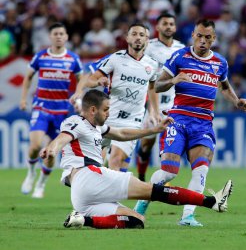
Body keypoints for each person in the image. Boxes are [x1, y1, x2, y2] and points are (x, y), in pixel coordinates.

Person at [39, 89, 233, 229]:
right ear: (92, 110)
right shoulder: (76, 121)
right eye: (105, 109)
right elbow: (62, 138)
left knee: (136, 220)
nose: (108, 113)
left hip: (81, 197)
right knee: (152, 191)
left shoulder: (95, 128)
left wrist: (153, 130)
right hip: (89, 176)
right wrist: (52, 149)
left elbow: (121, 133)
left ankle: (81, 220)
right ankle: (212, 202)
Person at [134, 19, 246, 227]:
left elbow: (224, 86)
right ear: (193, 36)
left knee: (201, 170)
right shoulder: (180, 56)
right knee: (169, 171)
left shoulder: (220, 62)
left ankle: (187, 217)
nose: (203, 41)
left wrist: (237, 101)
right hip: (178, 120)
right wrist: (173, 81)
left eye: (208, 37)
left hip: (203, 124)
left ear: (214, 39)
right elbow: (157, 85)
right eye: (199, 36)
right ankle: (141, 206)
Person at [75, 23, 161, 172]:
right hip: (106, 118)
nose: (138, 38)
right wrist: (97, 81)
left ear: (147, 39)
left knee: (116, 160)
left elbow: (152, 88)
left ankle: (124, 185)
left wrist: (155, 111)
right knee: (93, 165)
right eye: (134, 34)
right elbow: (90, 79)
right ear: (127, 38)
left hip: (132, 121)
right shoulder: (116, 58)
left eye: (142, 35)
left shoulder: (152, 65)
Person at [20, 22, 83, 198]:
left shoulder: (72, 59)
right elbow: (27, 77)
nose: (58, 36)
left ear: (66, 37)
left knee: (51, 152)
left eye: (61, 34)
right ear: (50, 36)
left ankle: (41, 184)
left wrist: (78, 99)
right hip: (41, 107)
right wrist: (24, 99)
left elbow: (81, 81)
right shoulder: (40, 56)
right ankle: (31, 173)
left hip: (61, 111)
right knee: (34, 146)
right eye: (55, 33)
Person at [136, 12, 185, 182]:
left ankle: (160, 180)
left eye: (171, 24)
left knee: (168, 146)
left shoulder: (181, 49)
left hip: (174, 105)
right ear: (157, 27)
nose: (168, 26)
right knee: (147, 144)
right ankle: (141, 177)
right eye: (165, 23)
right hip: (151, 103)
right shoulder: (148, 47)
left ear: (175, 27)